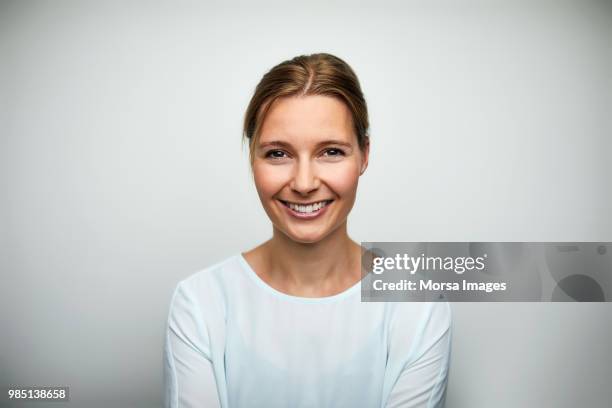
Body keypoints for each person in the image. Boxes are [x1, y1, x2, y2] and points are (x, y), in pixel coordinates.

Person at [163, 53, 452, 407]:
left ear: (364, 154)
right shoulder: (199, 303)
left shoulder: (416, 305)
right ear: (252, 158)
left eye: (330, 151)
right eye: (277, 154)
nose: (303, 183)